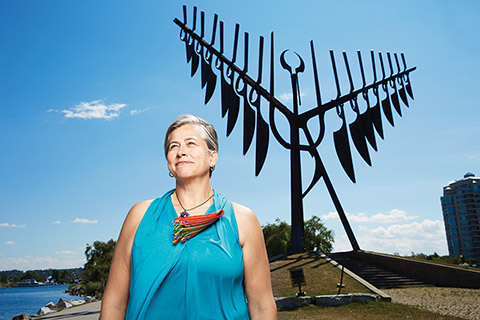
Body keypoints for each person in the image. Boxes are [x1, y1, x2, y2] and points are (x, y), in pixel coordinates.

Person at [100, 114, 277, 319]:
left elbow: (262, 305)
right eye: (173, 146)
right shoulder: (139, 215)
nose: (181, 151)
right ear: (168, 161)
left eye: (190, 143)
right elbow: (114, 303)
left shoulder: (242, 219)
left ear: (212, 157)